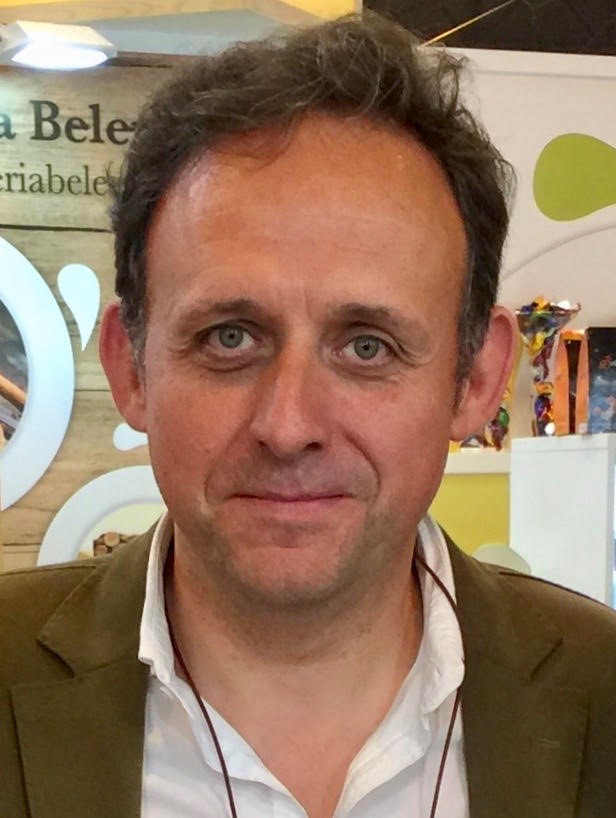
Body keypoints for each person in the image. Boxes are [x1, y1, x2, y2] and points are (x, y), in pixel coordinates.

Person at [2, 13, 616, 818]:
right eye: (230, 338)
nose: (289, 427)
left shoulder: (602, 694)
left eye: (366, 347)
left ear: (476, 379)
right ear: (130, 366)